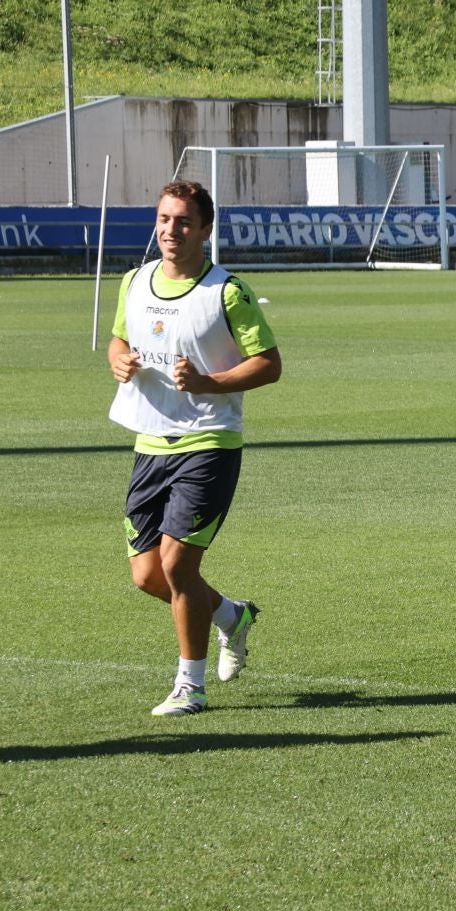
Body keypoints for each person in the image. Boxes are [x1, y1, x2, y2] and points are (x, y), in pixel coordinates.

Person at [106, 181, 280, 716]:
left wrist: (209, 383)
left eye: (183, 221)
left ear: (205, 229)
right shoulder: (134, 282)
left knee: (178, 565)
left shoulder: (227, 292)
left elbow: (269, 364)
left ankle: (190, 686)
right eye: (164, 219)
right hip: (149, 440)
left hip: (208, 441)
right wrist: (117, 360)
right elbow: (120, 339)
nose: (170, 230)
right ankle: (231, 616)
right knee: (146, 575)